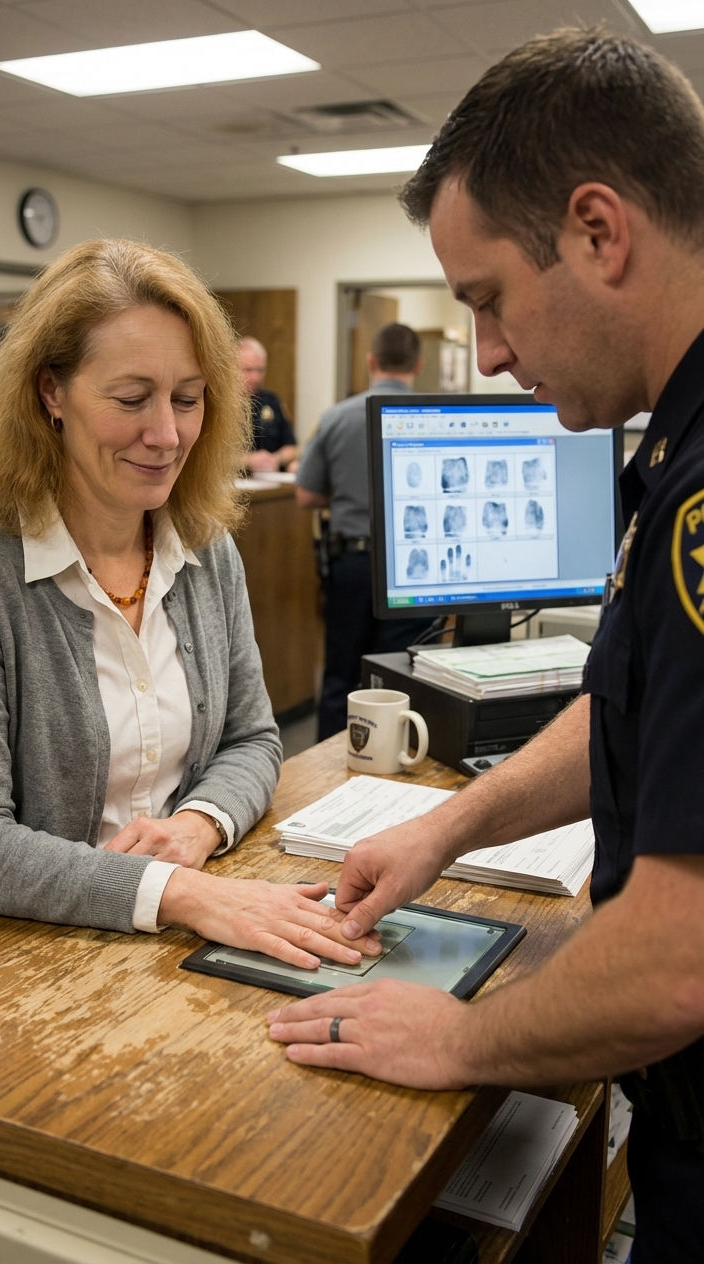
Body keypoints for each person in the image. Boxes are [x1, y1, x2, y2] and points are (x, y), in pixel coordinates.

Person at [268, 30, 704, 1260]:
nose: (493, 355)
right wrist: (447, 825)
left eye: (489, 300)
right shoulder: (671, 446)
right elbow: (631, 704)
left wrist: (458, 1038)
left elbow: (677, 959)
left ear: (598, 231)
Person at [0, 240, 381, 976]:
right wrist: (176, 891)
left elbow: (252, 739)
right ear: (49, 393)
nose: (167, 434)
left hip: (153, 950)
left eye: (187, 399)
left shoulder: (205, 548)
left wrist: (196, 824)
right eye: (131, 399)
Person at [296, 323, 434, 740]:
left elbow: (305, 494)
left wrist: (348, 496)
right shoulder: (433, 417)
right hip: (414, 565)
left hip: (353, 563)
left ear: (371, 361)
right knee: (406, 670)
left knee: (342, 671)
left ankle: (324, 777)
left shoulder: (337, 418)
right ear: (419, 365)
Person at [238, 336, 298, 473]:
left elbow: (292, 448)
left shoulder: (271, 401)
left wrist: (276, 459)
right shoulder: (220, 404)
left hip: (270, 482)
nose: (256, 378)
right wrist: (248, 460)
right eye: (248, 370)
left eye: (260, 370)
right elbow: (209, 456)